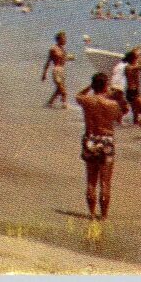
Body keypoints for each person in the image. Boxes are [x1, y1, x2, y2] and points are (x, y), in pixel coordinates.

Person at [76, 72, 128, 219]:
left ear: (94, 86)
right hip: (106, 140)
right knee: (105, 182)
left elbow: (78, 95)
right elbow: (120, 117)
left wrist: (90, 86)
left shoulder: (86, 100)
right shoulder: (112, 104)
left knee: (91, 181)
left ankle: (92, 214)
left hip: (90, 139)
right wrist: (119, 98)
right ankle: (104, 217)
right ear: (106, 86)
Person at [42, 32, 72, 108]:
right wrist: (44, 73)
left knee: (59, 90)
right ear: (58, 40)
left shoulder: (63, 49)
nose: (65, 40)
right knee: (63, 90)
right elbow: (48, 61)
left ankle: (49, 104)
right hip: (56, 70)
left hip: (62, 71)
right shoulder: (53, 49)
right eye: (63, 39)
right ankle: (65, 105)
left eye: (65, 39)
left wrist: (69, 58)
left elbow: (64, 60)